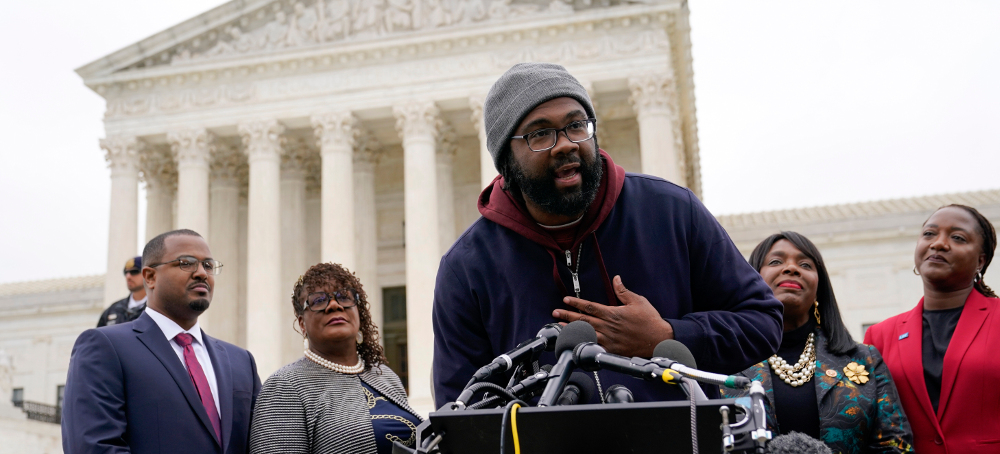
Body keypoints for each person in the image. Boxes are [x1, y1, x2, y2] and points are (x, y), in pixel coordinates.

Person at [432, 62, 783, 407]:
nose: (566, 144)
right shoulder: (466, 267)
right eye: (540, 134)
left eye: (576, 125)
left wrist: (667, 336)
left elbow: (763, 321)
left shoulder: (672, 211)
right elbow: (460, 409)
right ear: (506, 159)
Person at [62, 229, 261, 454]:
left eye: (208, 265)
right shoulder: (106, 347)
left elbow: (263, 444)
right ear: (150, 277)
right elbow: (95, 447)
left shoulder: (241, 361)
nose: (201, 273)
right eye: (186, 263)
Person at [723, 232, 913, 453]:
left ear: (819, 288)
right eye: (776, 261)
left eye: (805, 264)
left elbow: (896, 446)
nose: (792, 268)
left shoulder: (865, 360)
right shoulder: (726, 359)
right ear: (752, 279)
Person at [864, 205, 1000, 453]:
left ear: (981, 260)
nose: (938, 244)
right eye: (929, 234)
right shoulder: (880, 335)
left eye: (957, 237)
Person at [250, 263, 422, 454]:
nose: (334, 305)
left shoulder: (385, 376)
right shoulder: (285, 387)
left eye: (344, 297)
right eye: (318, 301)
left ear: (359, 312)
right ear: (302, 324)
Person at [97, 256, 147, 326]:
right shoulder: (112, 310)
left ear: (147, 274)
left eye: (134, 271)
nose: (128, 276)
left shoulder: (157, 309)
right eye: (125, 272)